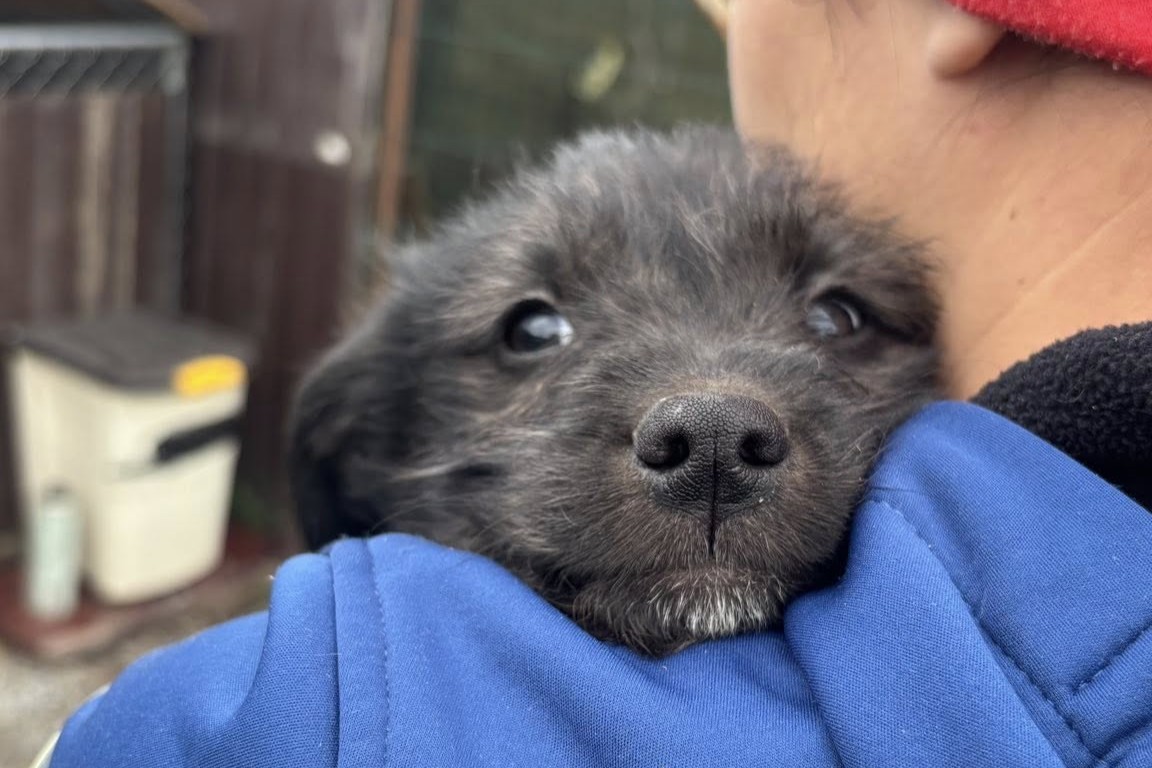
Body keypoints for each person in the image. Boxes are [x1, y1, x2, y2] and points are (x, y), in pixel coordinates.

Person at [37, 2, 1152, 766]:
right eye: (534, 332)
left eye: (835, 317)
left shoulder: (299, 716)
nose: (711, 418)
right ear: (364, 448)